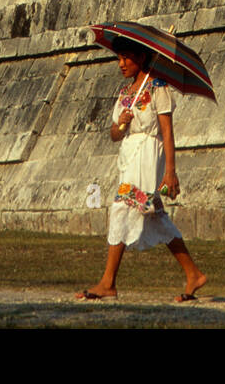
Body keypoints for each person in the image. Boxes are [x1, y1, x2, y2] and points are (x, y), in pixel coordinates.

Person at [76, 39, 207, 302]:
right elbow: (114, 134)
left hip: (149, 156)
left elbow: (168, 133)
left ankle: (108, 282)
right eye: (119, 58)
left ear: (141, 58)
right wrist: (121, 123)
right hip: (129, 156)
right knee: (152, 215)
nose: (121, 64)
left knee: (121, 209)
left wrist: (171, 171)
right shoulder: (125, 94)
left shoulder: (159, 88)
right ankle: (193, 273)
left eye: (127, 58)